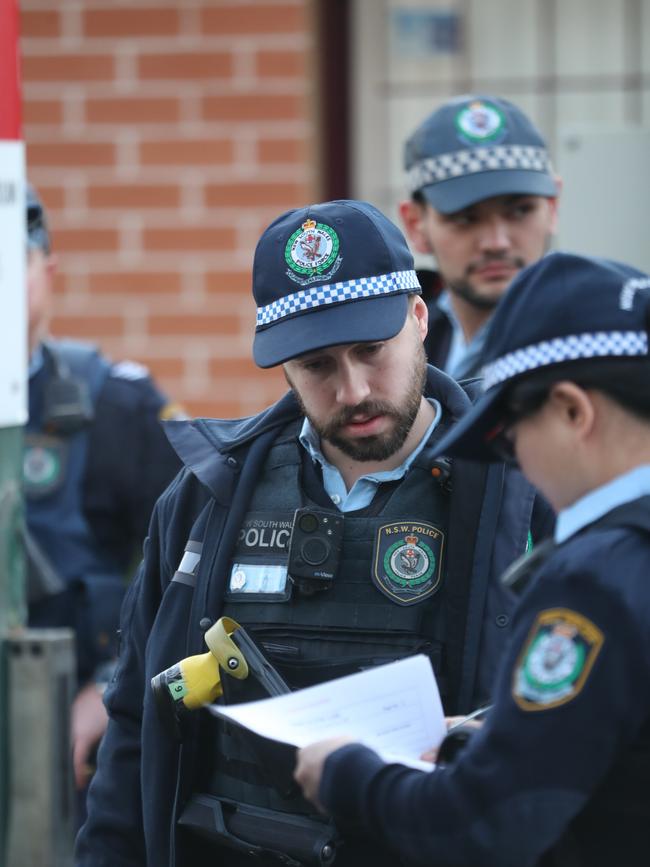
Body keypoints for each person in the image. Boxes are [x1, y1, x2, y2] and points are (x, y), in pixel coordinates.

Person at [75, 199, 552, 867]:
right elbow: (136, 724)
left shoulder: (523, 489)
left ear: (419, 319)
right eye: (318, 365)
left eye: (370, 350)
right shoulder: (204, 496)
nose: (353, 389)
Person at [294, 251, 650, 866]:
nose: (515, 461)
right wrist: (496, 736)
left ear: (572, 410)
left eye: (510, 434)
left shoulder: (595, 582)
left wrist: (345, 772)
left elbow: (485, 825)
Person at [24, 184, 183, 803]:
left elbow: (187, 571)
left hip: (73, 740)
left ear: (49, 273)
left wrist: (113, 687)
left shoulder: (116, 405)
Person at [400, 93, 561, 378]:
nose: (496, 242)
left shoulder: (605, 342)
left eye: (520, 211)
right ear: (415, 224)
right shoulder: (397, 351)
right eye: (465, 218)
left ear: (552, 207)